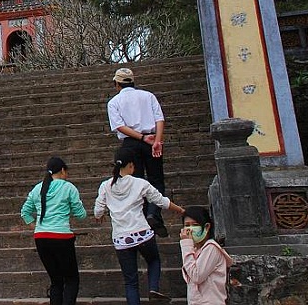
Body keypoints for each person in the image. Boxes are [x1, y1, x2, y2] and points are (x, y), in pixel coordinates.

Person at [94, 147, 185, 305]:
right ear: (130, 165)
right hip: (142, 233)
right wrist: (181, 211)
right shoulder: (140, 183)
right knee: (154, 260)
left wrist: (100, 216)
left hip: (121, 239)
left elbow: (98, 210)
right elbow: (161, 201)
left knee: (131, 282)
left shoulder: (105, 186)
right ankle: (153, 287)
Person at [107, 67, 169, 237]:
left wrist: (141, 138)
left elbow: (120, 126)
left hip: (130, 144)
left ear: (116, 84)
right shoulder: (148, 96)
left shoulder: (114, 102)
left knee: (136, 181)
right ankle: (153, 213)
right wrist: (157, 140)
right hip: (151, 139)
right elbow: (159, 118)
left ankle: (141, 219)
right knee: (157, 179)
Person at [20, 156, 87, 305]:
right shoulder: (68, 187)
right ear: (63, 170)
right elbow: (81, 214)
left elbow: (25, 212)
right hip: (62, 237)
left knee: (56, 281)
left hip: (41, 237)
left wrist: (36, 226)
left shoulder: (38, 188)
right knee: (71, 279)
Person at [180, 206, 233, 304]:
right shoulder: (194, 251)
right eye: (187, 225)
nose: (190, 229)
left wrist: (186, 245)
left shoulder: (212, 248)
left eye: (195, 225)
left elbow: (196, 276)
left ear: (206, 227)